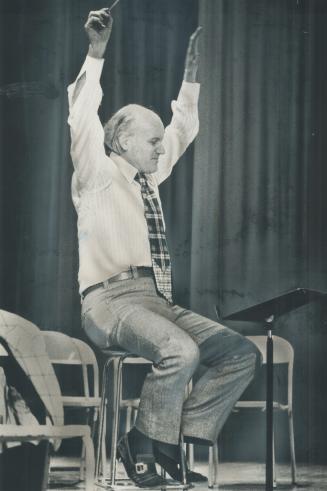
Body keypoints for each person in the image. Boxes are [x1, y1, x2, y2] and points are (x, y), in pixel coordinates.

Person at [68, 8, 260, 488]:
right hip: (107, 303)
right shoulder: (97, 172)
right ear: (122, 140)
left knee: (239, 353)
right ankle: (141, 443)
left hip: (154, 300)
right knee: (180, 350)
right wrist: (96, 52)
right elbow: (80, 116)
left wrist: (190, 78)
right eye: (151, 142)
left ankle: (173, 442)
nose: (160, 149)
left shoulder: (148, 176)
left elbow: (183, 130)